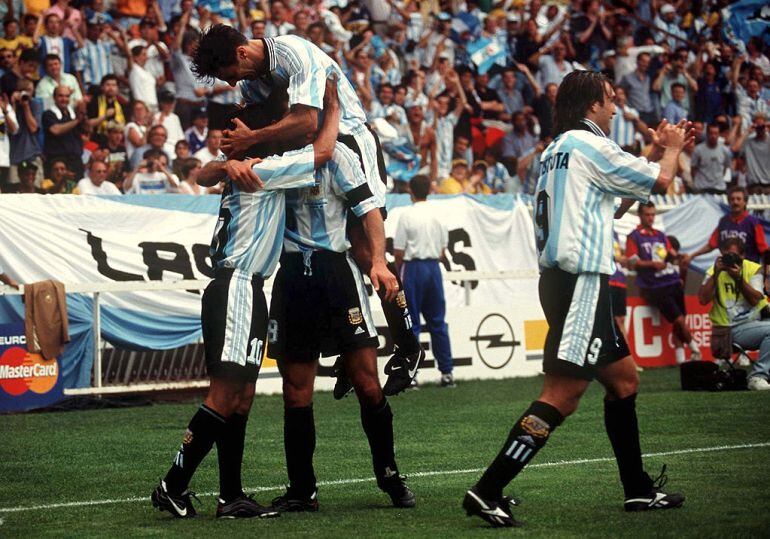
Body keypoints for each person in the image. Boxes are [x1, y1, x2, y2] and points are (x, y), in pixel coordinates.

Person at [464, 71, 687, 527]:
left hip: (561, 278)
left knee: (624, 382)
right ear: (591, 106)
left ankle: (638, 491)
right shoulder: (591, 145)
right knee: (562, 395)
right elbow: (661, 183)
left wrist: (652, 151)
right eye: (609, 100)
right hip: (581, 279)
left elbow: (618, 197)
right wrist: (673, 145)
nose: (614, 107)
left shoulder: (556, 151)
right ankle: (487, 490)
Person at [192, 25, 424, 396]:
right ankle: (351, 348)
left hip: (346, 139)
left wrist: (251, 139)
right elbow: (277, 124)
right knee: (325, 249)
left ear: (240, 54)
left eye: (231, 76)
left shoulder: (294, 53)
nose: (236, 85)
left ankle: (408, 344)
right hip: (308, 151)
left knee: (363, 248)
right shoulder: (252, 83)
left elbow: (308, 120)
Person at [151, 78, 342, 522]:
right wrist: (330, 106)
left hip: (246, 287)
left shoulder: (243, 166)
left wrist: (222, 164)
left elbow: (201, 173)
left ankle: (230, 495)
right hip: (238, 284)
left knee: (241, 395)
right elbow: (323, 151)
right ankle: (172, 484)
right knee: (225, 393)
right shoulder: (267, 168)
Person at [262, 87, 414, 514]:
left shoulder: (341, 155)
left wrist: (379, 262)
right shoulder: (276, 159)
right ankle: (301, 489)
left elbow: (369, 211)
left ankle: (390, 476)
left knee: (368, 382)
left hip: (336, 274)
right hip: (292, 277)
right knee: (296, 392)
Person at [394, 174, 454, 387]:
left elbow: (399, 251)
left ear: (410, 189)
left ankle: (412, 375)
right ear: (429, 188)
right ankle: (447, 374)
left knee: (413, 324)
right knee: (438, 322)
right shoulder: (438, 214)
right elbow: (442, 249)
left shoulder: (406, 215)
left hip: (414, 268)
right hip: (433, 268)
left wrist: (398, 274)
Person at [626, 201, 701, 365]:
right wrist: (652, 265)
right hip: (654, 286)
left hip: (672, 282)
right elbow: (632, 263)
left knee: (680, 321)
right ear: (640, 215)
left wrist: (679, 257)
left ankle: (681, 358)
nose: (651, 218)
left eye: (653, 214)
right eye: (647, 214)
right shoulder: (634, 237)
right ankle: (695, 349)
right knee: (679, 320)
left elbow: (671, 253)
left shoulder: (660, 235)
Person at [698, 238, 770, 391]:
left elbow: (755, 299)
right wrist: (715, 275)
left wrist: (738, 279)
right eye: (726, 255)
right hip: (729, 329)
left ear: (743, 255)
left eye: (734, 256)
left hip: (755, 324)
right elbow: (703, 300)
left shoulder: (753, 269)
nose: (729, 259)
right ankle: (758, 376)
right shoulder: (714, 271)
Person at [683, 186, 768, 265]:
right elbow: (711, 245)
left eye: (738, 199)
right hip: (727, 268)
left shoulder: (753, 223)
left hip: (748, 270)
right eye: (732, 199)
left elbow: (763, 249)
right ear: (729, 201)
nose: (735, 202)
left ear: (745, 202)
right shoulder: (724, 221)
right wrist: (692, 255)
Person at [41, 84, 84, 178]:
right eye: (61, 96)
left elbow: (87, 129)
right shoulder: (48, 114)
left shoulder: (73, 114)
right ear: (54, 97)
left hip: (75, 162)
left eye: (67, 96)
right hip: (57, 162)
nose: (64, 99)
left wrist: (83, 109)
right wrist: (77, 121)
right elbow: (56, 130)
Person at [731, 113, 770, 195]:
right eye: (758, 126)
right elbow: (734, 149)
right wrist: (747, 131)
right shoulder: (748, 142)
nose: (760, 128)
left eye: (762, 126)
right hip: (753, 185)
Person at [690, 123, 732, 194]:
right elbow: (693, 169)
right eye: (711, 133)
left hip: (719, 188)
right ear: (707, 134)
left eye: (716, 133)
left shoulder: (725, 150)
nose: (713, 136)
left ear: (719, 135)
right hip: (702, 188)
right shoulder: (698, 150)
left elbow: (725, 168)